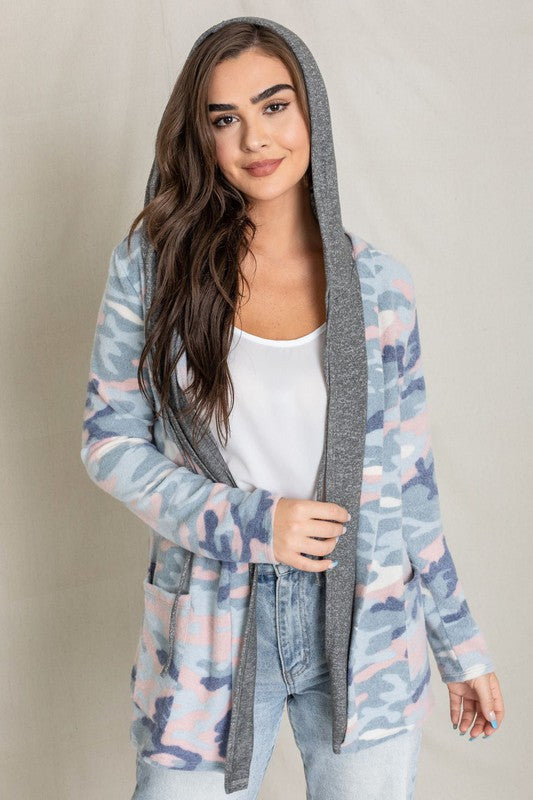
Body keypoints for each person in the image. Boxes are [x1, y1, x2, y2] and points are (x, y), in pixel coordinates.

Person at [80, 16, 505, 800]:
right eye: (224, 119)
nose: (255, 138)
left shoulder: (380, 288)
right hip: (209, 620)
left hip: (369, 630)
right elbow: (108, 443)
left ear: (311, 111)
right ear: (200, 137)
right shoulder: (152, 269)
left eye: (274, 106)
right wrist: (253, 523)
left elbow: (410, 486)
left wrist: (460, 647)